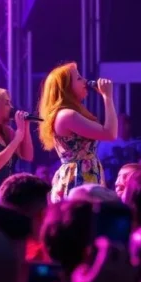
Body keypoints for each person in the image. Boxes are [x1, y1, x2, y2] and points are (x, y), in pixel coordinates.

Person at [37, 63, 117, 202]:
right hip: (78, 177)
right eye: (79, 78)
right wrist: (108, 97)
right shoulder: (67, 115)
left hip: (85, 173)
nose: (85, 81)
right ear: (66, 87)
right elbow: (110, 133)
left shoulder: (68, 113)